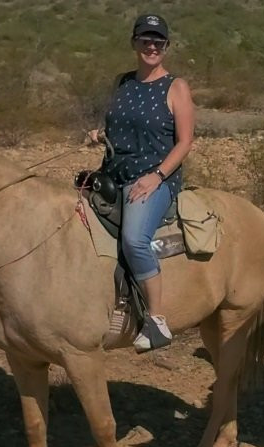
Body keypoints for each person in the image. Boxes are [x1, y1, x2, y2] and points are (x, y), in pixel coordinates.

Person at [87, 14, 195, 352]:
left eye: (158, 41)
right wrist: (100, 134)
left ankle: (157, 319)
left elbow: (184, 141)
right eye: (145, 40)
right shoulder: (123, 82)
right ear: (134, 42)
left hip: (154, 179)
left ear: (166, 46)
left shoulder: (176, 87)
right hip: (112, 174)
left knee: (134, 239)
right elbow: (121, 125)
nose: (151, 46)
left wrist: (157, 176)